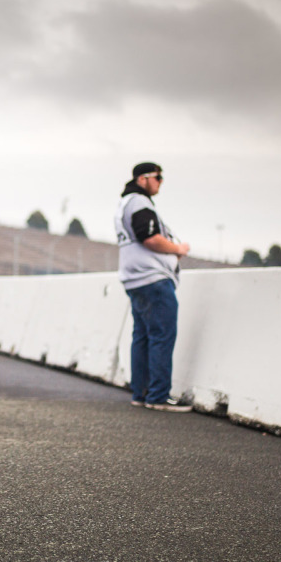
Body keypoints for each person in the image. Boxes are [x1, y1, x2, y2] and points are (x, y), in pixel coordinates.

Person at [115, 162, 191, 412]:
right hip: (152, 278)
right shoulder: (140, 203)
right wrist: (177, 249)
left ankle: (141, 393)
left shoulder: (125, 203)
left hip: (134, 278)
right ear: (142, 179)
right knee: (161, 335)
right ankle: (158, 396)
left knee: (143, 336)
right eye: (157, 177)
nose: (160, 182)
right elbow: (149, 238)